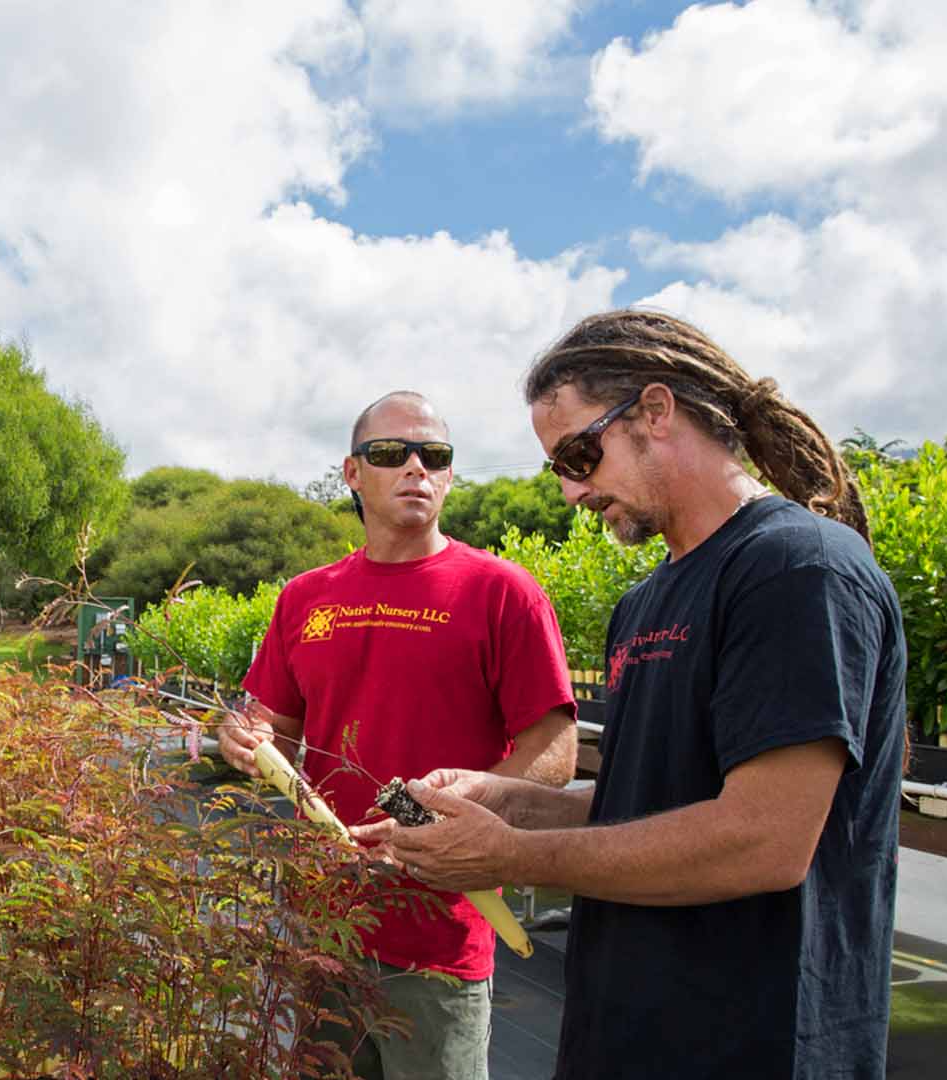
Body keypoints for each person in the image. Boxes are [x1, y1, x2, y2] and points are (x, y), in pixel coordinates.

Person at [365, 311, 906, 1079]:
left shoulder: (796, 570)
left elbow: (765, 839)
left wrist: (515, 855)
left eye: (581, 454)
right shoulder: (646, 601)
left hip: (756, 1043)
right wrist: (505, 801)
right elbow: (653, 797)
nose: (571, 490)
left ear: (657, 411)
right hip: (627, 1033)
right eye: (557, 466)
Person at [219, 390, 579, 1080]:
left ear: (448, 476)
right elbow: (273, 728)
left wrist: (461, 818)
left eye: (434, 455)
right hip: (324, 927)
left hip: (439, 934)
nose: (416, 466)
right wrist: (242, 738)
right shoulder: (305, 597)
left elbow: (554, 753)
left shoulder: (502, 592)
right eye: (391, 453)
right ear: (352, 474)